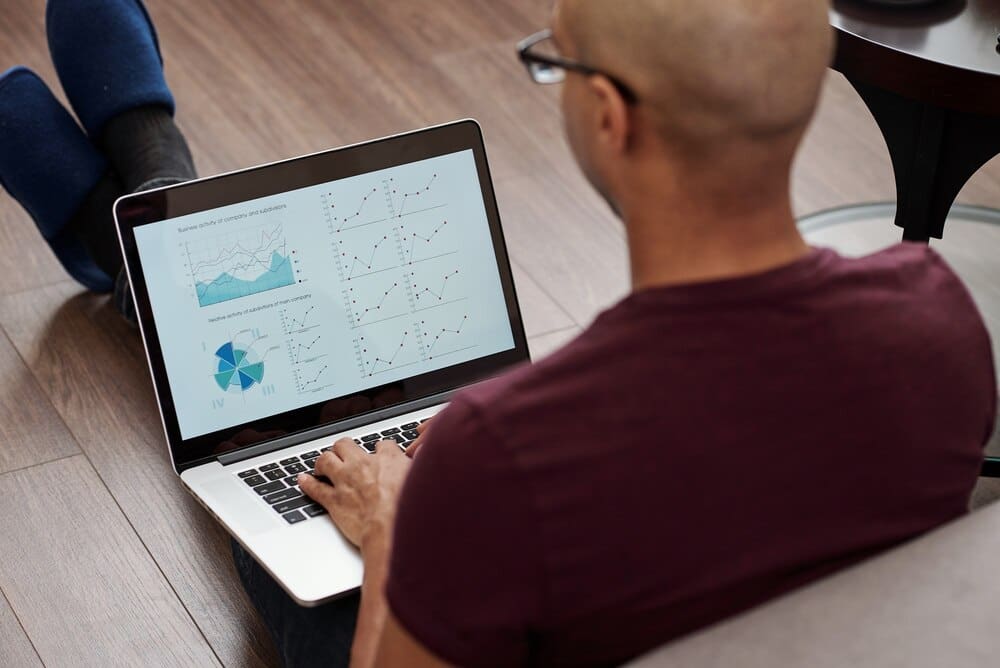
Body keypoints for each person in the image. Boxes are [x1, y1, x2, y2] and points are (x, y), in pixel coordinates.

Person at [1, 1, 995, 667]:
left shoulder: (499, 453)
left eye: (554, 64)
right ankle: (139, 203)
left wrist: (395, 522)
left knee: (299, 510)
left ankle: (140, 198)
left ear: (607, 116)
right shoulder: (942, 319)